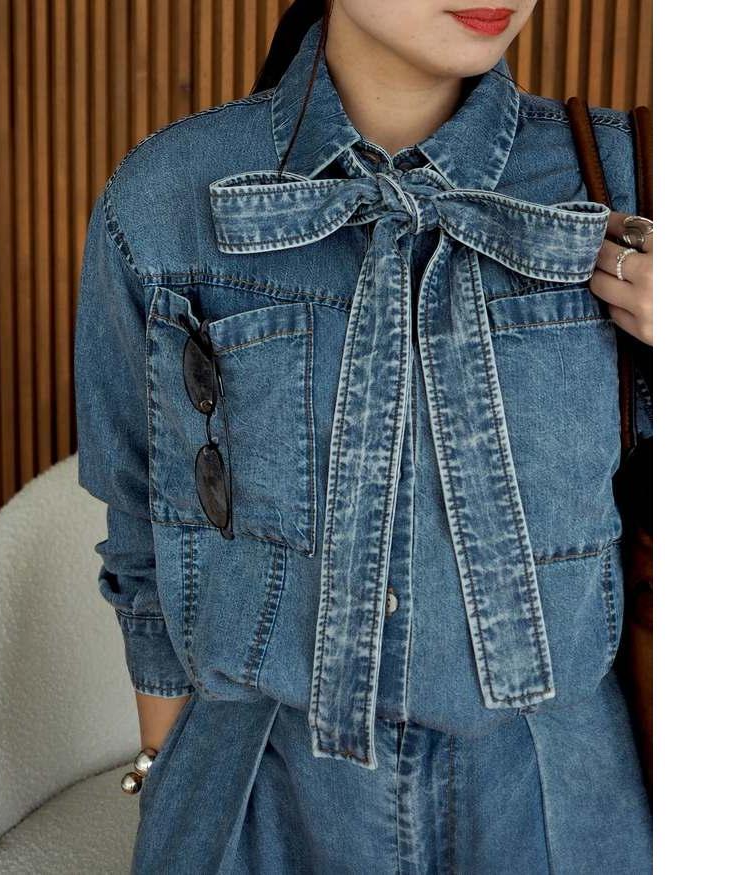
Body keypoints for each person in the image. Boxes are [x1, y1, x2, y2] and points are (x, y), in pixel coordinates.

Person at [74, 1, 653, 872]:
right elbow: (138, 514)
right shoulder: (165, 198)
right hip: (257, 797)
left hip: (555, 801)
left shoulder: (631, 183)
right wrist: (166, 766)